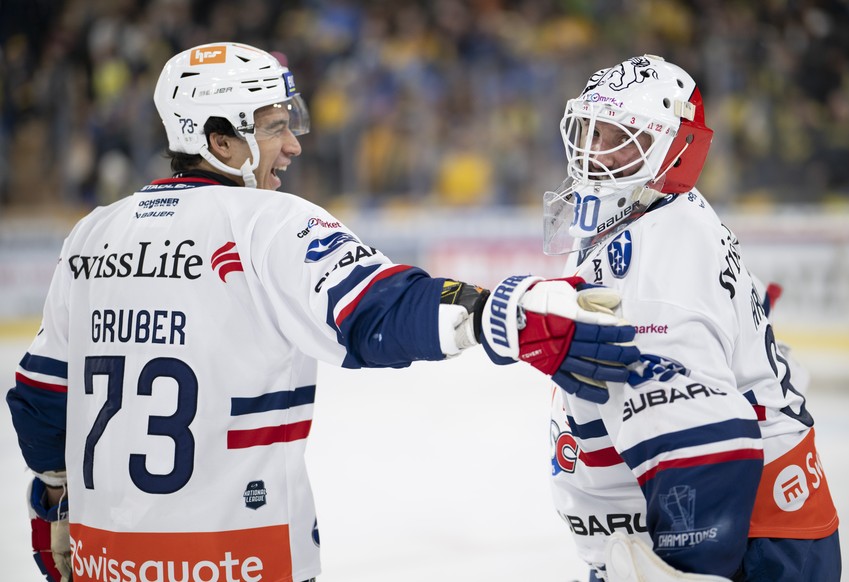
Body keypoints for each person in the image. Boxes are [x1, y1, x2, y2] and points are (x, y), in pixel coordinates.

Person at [5, 42, 642, 582]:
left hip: (107, 563)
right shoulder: (265, 224)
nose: (293, 147)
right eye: (275, 127)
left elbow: (40, 398)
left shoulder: (93, 234)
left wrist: (55, 498)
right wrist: (494, 312)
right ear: (221, 140)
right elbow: (375, 310)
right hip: (240, 562)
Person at [541, 54, 840, 582]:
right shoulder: (649, 213)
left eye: (617, 137)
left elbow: (701, 444)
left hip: (747, 538)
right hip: (755, 524)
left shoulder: (655, 255)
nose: (592, 151)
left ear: (674, 150)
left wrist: (687, 560)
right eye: (589, 130)